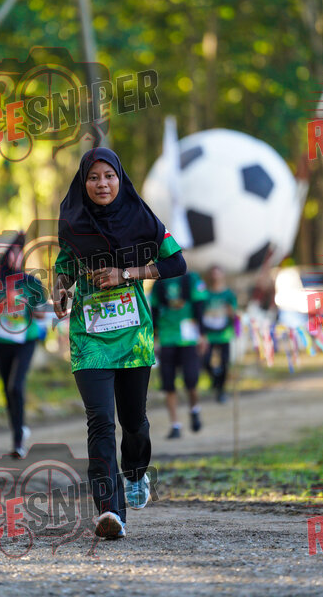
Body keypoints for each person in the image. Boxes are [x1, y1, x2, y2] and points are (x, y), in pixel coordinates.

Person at [52, 148, 186, 540]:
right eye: (93, 177)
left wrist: (126, 273)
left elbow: (176, 263)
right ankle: (110, 511)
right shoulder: (73, 224)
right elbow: (64, 268)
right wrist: (60, 289)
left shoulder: (142, 220)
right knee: (100, 422)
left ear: (120, 178)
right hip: (89, 340)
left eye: (109, 176)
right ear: (83, 183)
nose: (102, 184)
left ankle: (136, 473)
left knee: (134, 422)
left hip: (132, 337)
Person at [0, 231, 47, 458]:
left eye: (20, 253)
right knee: (8, 390)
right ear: (3, 256)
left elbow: (41, 314)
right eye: (12, 253)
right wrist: (2, 305)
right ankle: (18, 430)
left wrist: (26, 305)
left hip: (26, 340)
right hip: (1, 341)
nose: (17, 258)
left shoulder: (31, 282)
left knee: (16, 386)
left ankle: (18, 441)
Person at [150, 271, 208, 438]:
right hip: (167, 338)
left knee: (191, 381)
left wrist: (202, 335)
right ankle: (175, 425)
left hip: (188, 338)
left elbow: (199, 307)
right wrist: (154, 338)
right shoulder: (158, 283)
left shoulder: (192, 279)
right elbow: (154, 311)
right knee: (168, 384)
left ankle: (194, 409)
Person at [202, 265, 237, 402]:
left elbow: (234, 313)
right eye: (213, 274)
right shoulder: (206, 294)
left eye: (218, 273)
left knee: (224, 363)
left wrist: (230, 312)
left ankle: (221, 390)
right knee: (205, 361)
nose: (215, 276)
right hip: (209, 334)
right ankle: (215, 379)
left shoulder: (228, 294)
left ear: (223, 275)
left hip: (224, 334)